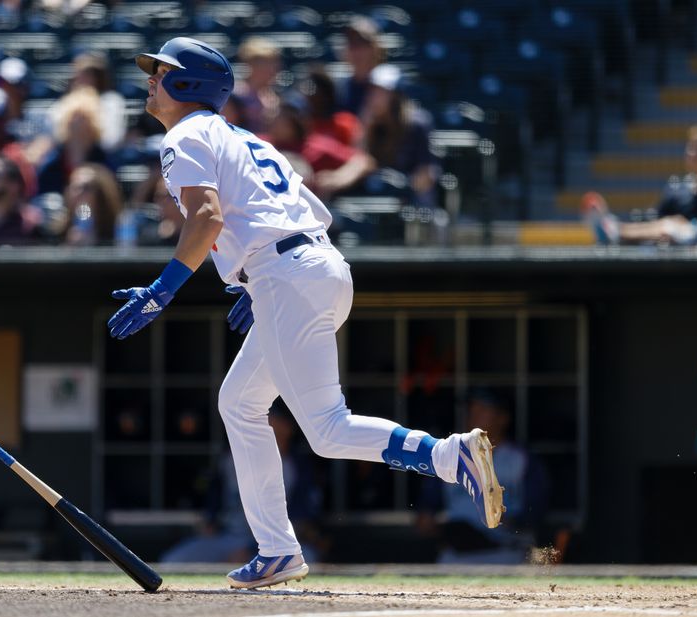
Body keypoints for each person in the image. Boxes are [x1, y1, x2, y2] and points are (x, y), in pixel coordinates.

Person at [107, 37, 504, 590]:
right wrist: (255, 278)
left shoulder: (186, 133)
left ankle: (446, 455)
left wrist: (163, 289)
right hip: (313, 265)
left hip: (287, 275)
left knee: (325, 429)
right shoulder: (247, 139)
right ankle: (277, 548)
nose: (151, 80)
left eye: (161, 71)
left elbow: (206, 217)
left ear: (187, 84)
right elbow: (305, 210)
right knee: (240, 404)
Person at [161, 410, 324, 563]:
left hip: (275, 543)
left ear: (288, 427)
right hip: (228, 537)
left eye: (272, 420)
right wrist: (210, 521)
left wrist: (249, 549)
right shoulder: (230, 458)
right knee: (174, 560)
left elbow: (303, 518)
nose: (265, 426)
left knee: (307, 558)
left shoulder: (296, 466)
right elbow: (215, 497)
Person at [416, 390, 548, 564]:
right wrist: (435, 525)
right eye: (472, 409)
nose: (473, 414)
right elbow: (426, 513)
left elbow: (536, 511)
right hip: (456, 556)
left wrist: (503, 521)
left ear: (503, 418)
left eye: (483, 409)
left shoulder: (521, 459)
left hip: (505, 553)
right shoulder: (450, 455)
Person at [584, 125, 697, 245]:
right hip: (669, 245)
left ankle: (614, 230)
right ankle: (614, 229)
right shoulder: (678, 188)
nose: (692, 153)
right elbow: (656, 217)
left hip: (693, 242)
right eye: (690, 147)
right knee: (668, 225)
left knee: (670, 226)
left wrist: (685, 227)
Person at [265, 96, 375, 200]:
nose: (276, 119)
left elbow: (363, 161)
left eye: (284, 115)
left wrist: (338, 177)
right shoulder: (261, 143)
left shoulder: (315, 146)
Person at [362, 64, 440, 207]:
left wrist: (402, 189)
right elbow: (362, 161)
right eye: (373, 91)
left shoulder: (417, 123)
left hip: (412, 199)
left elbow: (426, 174)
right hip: (378, 196)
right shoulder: (371, 122)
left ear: (396, 96)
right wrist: (366, 128)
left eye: (382, 92)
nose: (374, 97)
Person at [35, 87, 108, 196]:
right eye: (74, 116)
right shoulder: (52, 163)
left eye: (84, 118)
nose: (78, 123)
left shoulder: (103, 161)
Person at [69, 53, 128, 152]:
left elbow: (111, 140)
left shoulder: (111, 101)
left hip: (102, 157)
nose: (78, 80)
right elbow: (57, 136)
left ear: (96, 78)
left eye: (84, 75)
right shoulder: (70, 100)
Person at [62, 163, 122, 246]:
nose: (78, 193)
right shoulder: (58, 229)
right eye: (74, 187)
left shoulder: (119, 227)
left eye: (86, 188)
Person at [233, 36, 282, 134]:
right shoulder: (236, 94)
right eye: (265, 64)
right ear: (251, 64)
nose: (273, 70)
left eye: (274, 64)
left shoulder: (273, 96)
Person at [337, 16, 384, 115]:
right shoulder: (338, 91)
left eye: (361, 43)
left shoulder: (387, 87)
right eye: (351, 44)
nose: (356, 51)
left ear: (376, 48)